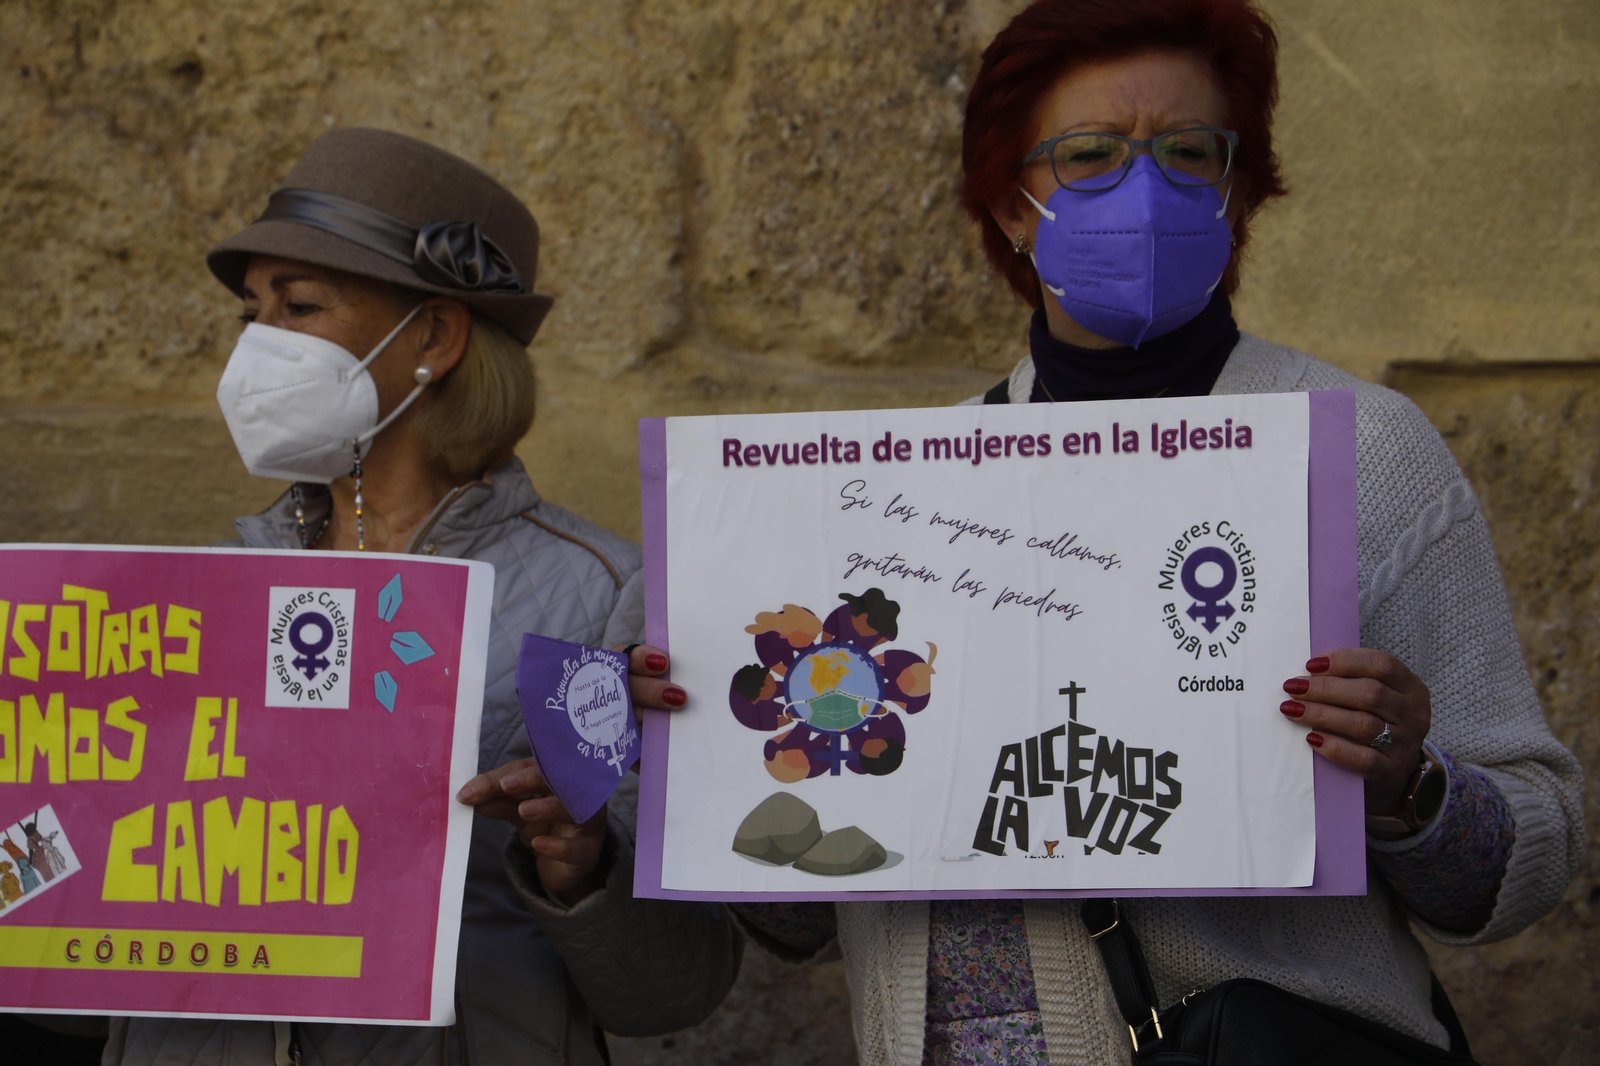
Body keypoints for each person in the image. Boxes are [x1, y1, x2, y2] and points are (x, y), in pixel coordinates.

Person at [734, 3, 1584, 1064]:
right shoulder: (890, 499)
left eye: (1189, 153)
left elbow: (1525, 870)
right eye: (1089, 155)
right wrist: (719, 764)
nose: (1146, 190)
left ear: (1237, 192)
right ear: (1010, 204)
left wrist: (1412, 786)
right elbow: (803, 911)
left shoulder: (1362, 450)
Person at [98, 127, 742, 1066]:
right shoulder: (195, 595)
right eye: (252, 314)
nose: (257, 351)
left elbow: (672, 989)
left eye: (301, 307)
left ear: (434, 337)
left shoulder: (599, 604)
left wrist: (583, 866)